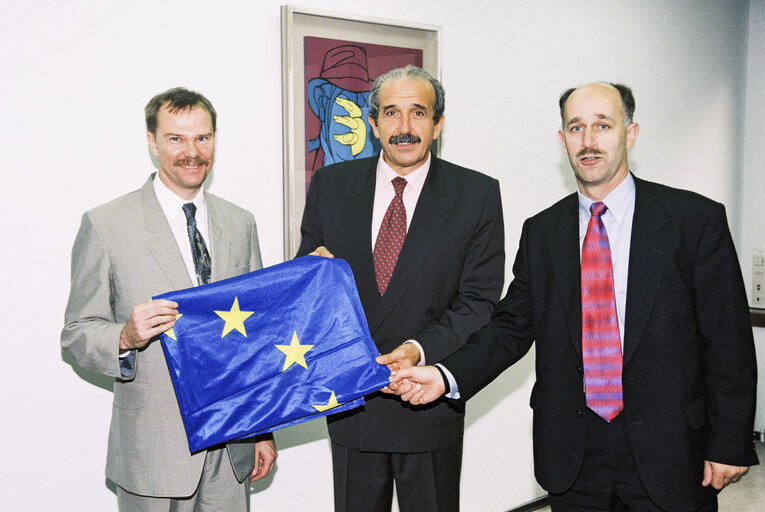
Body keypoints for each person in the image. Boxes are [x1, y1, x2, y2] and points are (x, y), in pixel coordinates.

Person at [390, 82, 758, 512]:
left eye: (603, 125)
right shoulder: (543, 232)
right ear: (562, 140)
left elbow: (728, 341)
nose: (589, 141)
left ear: (631, 133)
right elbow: (510, 327)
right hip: (573, 457)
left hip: (672, 452)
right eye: (576, 127)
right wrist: (444, 375)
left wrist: (730, 440)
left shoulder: (693, 221)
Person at [296, 65, 505, 512]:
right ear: (372, 124)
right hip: (353, 401)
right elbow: (308, 281)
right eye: (391, 113)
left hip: (427, 401)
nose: (404, 128)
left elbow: (478, 302)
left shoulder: (477, 194)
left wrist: (416, 349)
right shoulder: (331, 187)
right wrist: (308, 274)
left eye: (418, 113)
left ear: (438, 124)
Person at [61, 87, 277, 511]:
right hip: (152, 452)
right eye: (176, 138)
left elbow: (256, 337)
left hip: (231, 447)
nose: (192, 152)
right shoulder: (106, 224)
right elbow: (76, 334)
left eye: (203, 138)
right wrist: (124, 336)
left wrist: (262, 429)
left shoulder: (240, 222)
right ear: (152, 141)